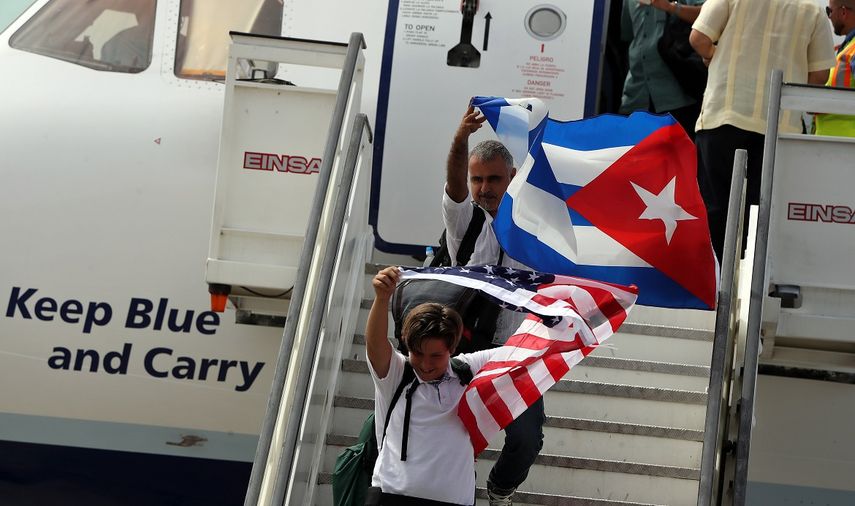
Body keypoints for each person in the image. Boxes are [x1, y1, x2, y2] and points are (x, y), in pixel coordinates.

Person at [443, 104, 545, 505]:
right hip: (462, 349)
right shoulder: (465, 222)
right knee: (454, 436)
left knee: (527, 439)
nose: (484, 187)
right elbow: (452, 185)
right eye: (477, 179)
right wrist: (459, 139)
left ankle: (499, 492)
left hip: (516, 355)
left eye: (493, 179)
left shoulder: (536, 233)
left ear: (512, 179)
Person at [689, 0, 836, 259]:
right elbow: (819, 76)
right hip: (781, 127)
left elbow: (699, 38)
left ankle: (714, 284)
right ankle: (753, 286)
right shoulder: (812, 11)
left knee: (715, 209)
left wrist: (714, 56)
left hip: (724, 114)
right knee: (765, 214)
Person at [366, 266, 493, 505]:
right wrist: (382, 298)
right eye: (418, 353)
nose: (425, 364)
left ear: (452, 348)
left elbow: (525, 351)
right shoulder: (396, 373)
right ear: (406, 344)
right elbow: (375, 345)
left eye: (436, 356)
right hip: (390, 498)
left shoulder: (469, 369)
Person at [620, 0, 704, 138]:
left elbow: (708, 17)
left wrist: (670, 7)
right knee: (634, 156)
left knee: (676, 157)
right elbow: (628, 35)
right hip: (636, 94)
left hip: (676, 95)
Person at [814, 0, 855, 137]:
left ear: (843, 12)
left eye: (829, 11)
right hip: (833, 146)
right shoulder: (845, 49)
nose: (829, 17)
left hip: (845, 147)